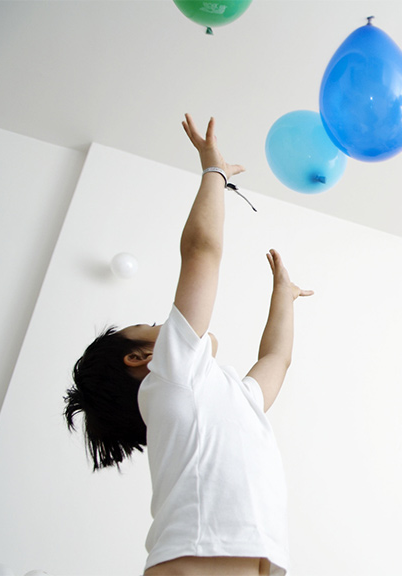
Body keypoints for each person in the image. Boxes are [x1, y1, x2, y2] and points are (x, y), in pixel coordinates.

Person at [64, 115, 312, 576]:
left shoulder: (227, 395)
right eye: (157, 324)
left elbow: (276, 359)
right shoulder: (170, 376)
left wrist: (284, 297)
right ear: (141, 358)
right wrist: (212, 173)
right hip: (197, 563)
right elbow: (201, 252)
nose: (173, 325)